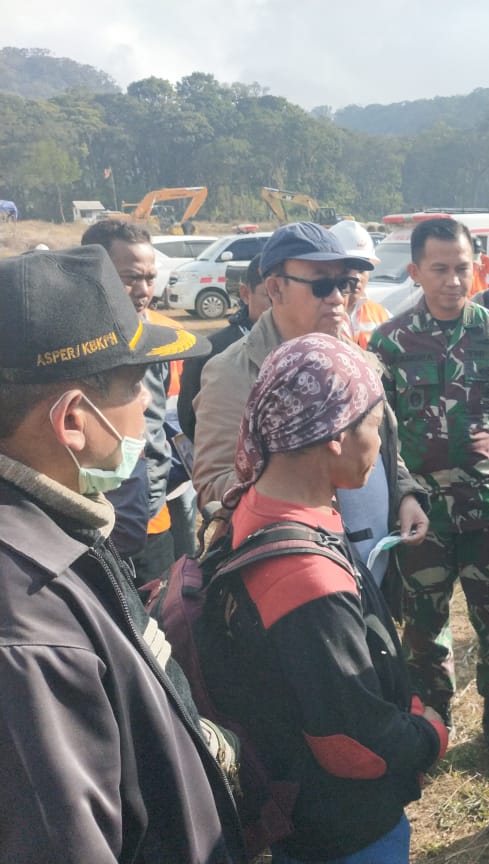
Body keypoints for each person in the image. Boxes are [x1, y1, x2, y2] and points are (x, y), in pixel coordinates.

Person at [0, 245, 243, 862]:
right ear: (74, 421)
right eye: (137, 384)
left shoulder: (57, 528)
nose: (147, 405)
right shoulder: (28, 627)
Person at [199, 333, 447, 864]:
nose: (380, 449)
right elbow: (351, 742)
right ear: (335, 436)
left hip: (295, 798)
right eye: (376, 429)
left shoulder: (257, 503)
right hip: (346, 828)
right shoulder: (306, 579)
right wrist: (429, 733)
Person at [369, 218, 489, 777]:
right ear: (415, 271)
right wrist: (399, 497)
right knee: (423, 626)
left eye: (462, 268)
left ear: (479, 267)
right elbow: (381, 436)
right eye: (438, 269)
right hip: (421, 514)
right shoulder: (389, 342)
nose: (451, 280)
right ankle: (435, 717)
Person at [192, 222, 376, 509]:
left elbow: (385, 450)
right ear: (276, 290)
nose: (338, 298)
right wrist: (300, 482)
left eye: (345, 284)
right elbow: (213, 487)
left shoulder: (361, 362)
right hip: (294, 544)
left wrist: (405, 494)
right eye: (321, 285)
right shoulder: (232, 373)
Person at [81, 218, 185, 584]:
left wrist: (141, 514)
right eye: (130, 278)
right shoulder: (69, 343)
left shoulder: (153, 341)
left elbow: (155, 440)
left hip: (145, 529)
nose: (144, 291)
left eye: (150, 278)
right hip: (87, 528)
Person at [178, 254, 271, 443]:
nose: (280, 305)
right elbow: (190, 422)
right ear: (245, 294)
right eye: (270, 295)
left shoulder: (311, 345)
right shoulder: (209, 352)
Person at [330, 220, 390, 349]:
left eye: (361, 270)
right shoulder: (319, 315)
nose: (356, 277)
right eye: (348, 268)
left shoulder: (381, 315)